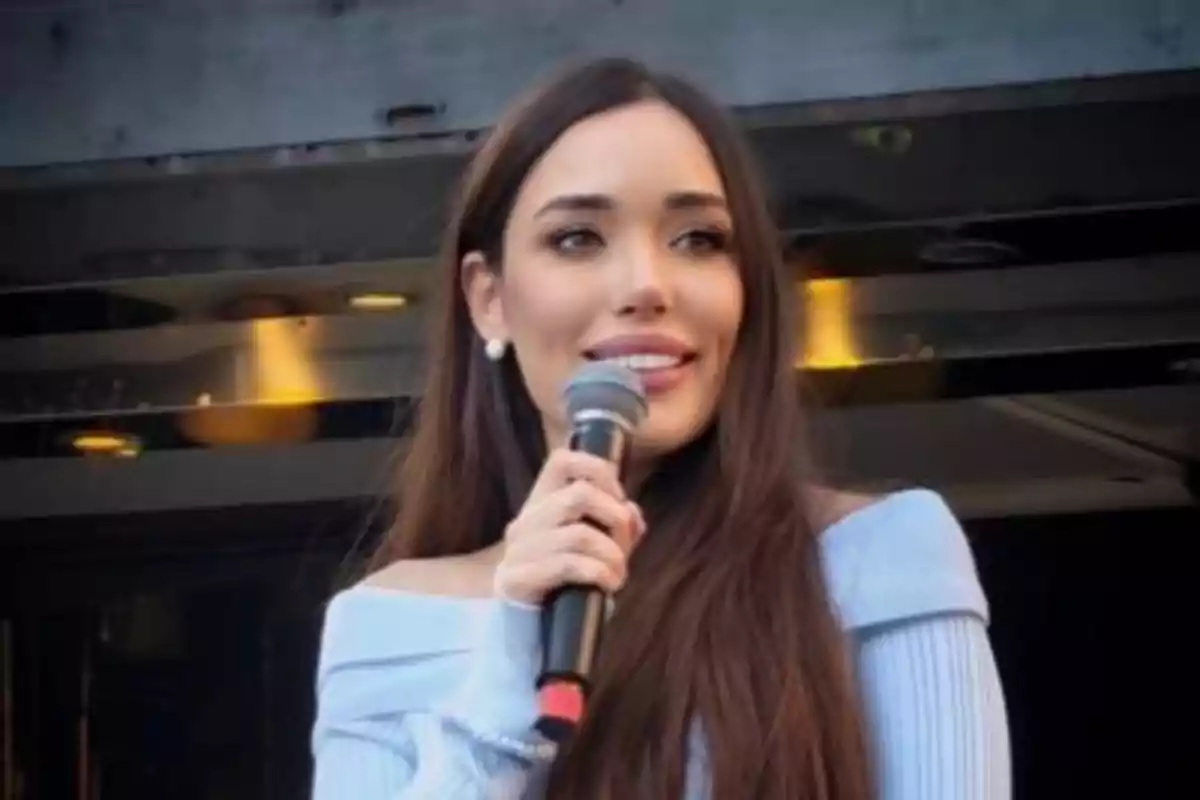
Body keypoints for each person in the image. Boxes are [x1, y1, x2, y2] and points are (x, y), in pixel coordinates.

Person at [310, 58, 1010, 799]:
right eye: (578, 238)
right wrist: (514, 653)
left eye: (698, 239)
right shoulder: (387, 622)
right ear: (489, 300)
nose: (646, 284)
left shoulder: (878, 556)